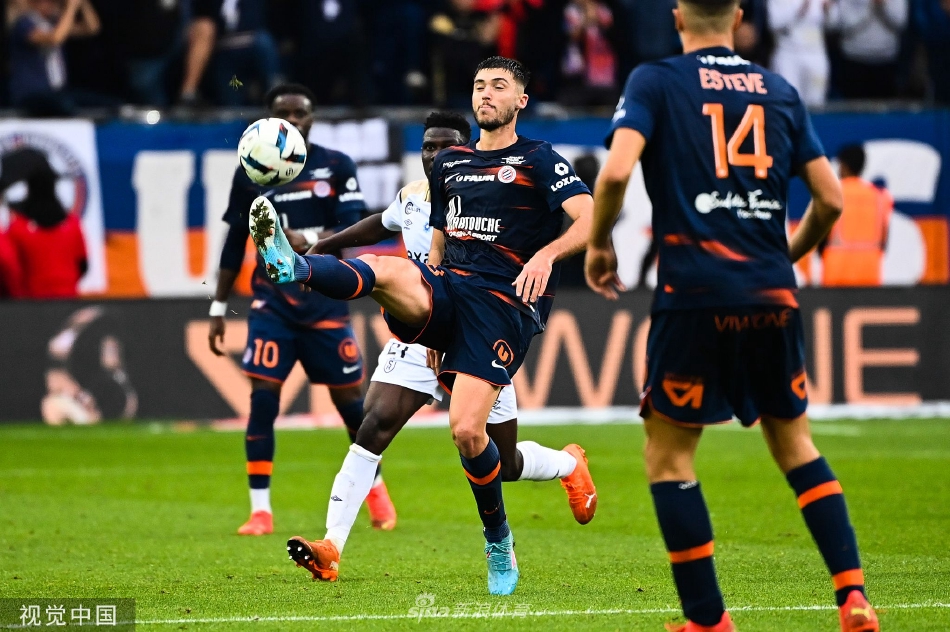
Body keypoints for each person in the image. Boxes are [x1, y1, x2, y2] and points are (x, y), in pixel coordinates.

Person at [251, 57, 597, 595]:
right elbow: (436, 246)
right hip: (446, 294)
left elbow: (592, 217)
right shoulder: (450, 167)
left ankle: (522, 514)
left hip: (500, 309)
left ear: (520, 101)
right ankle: (294, 266)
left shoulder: (538, 158)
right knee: (387, 299)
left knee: (479, 442)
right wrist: (432, 322)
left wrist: (547, 255)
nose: (486, 94)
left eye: (499, 86)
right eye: (479, 85)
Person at [586, 2, 878, 631]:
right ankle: (853, 594)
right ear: (740, 15)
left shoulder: (655, 80)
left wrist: (600, 244)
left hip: (694, 293)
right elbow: (829, 200)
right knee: (795, 445)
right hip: (771, 294)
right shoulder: (779, 90)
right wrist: (782, 260)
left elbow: (614, 174)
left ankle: (708, 620)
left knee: (670, 457)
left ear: (677, 16)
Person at [208, 83, 395, 537]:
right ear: (269, 117)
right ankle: (260, 510)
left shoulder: (336, 165)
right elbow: (235, 240)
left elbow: (354, 228)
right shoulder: (249, 171)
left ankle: (376, 491)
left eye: (301, 113)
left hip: (324, 300)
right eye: (284, 113)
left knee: (350, 404)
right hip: (271, 303)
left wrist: (308, 240)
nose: (294, 120)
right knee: (262, 400)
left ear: (312, 118)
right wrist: (218, 303)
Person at [1, 147, 87, 299]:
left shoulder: (18, 229)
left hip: (30, 302)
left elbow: (10, 266)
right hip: (68, 298)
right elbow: (83, 265)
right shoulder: (72, 225)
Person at [8, 0, 101, 116]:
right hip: (31, 93)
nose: (52, 5)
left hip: (56, 92)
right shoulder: (24, 23)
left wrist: (83, 3)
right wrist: (71, 8)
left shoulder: (53, 23)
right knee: (65, 105)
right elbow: (54, 38)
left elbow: (91, 28)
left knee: (101, 103)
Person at [819, 145, 892, 286]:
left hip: (836, 274)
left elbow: (820, 237)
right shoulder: (880, 197)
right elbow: (884, 241)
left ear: (844, 166)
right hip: (869, 273)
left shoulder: (831, 195)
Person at [767, 0, 834, 107]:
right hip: (788, 54)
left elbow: (835, 24)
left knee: (816, 101)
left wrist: (828, 11)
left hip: (816, 53)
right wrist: (799, 10)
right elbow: (774, 23)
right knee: (788, 100)